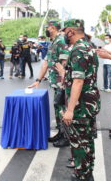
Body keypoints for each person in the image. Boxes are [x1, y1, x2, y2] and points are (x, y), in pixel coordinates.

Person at [56, 19, 100, 181]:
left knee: (79, 142)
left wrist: (70, 110)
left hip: (81, 105)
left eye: (64, 32)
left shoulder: (78, 49)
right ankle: (87, 173)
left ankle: (82, 175)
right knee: (87, 140)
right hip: (90, 102)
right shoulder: (89, 46)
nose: (63, 35)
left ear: (71, 32)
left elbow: (79, 81)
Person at [28, 20, 70, 148]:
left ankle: (66, 136)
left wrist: (64, 81)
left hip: (61, 82)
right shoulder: (53, 42)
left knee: (62, 108)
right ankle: (60, 132)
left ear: (52, 28)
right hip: (55, 82)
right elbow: (46, 62)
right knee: (57, 107)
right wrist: (38, 80)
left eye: (48, 27)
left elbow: (64, 61)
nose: (46, 30)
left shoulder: (61, 41)